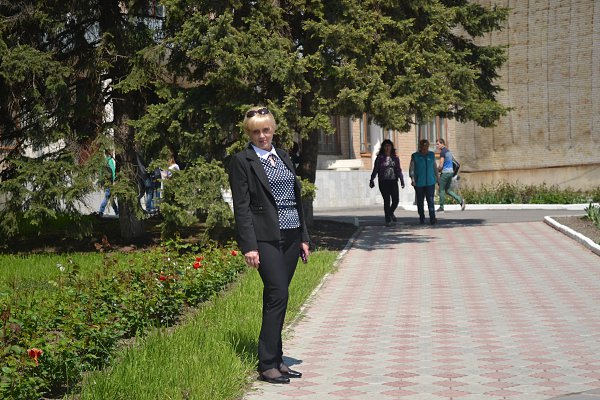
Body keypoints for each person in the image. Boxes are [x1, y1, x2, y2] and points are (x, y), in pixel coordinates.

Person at [229, 106, 311, 385]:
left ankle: (277, 359)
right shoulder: (242, 161)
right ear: (249, 133)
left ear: (273, 129)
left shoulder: (283, 157)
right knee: (278, 294)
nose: (262, 136)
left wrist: (303, 238)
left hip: (291, 236)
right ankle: (266, 364)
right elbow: (241, 207)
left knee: (278, 296)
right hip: (265, 238)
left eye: (265, 130)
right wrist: (249, 246)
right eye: (256, 132)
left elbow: (296, 200)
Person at [369, 139, 405, 226]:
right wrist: (372, 179)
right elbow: (375, 169)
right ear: (383, 147)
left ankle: (390, 212)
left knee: (396, 200)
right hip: (383, 182)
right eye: (386, 146)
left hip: (393, 181)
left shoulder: (395, 158)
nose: (387, 147)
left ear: (391, 147)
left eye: (389, 146)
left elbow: (398, 169)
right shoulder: (380, 158)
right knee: (387, 200)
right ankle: (387, 220)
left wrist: (401, 180)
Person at [409, 139, 438, 225]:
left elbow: (434, 167)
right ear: (420, 147)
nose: (425, 148)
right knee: (420, 201)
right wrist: (413, 179)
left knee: (431, 200)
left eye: (426, 146)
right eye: (423, 146)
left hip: (430, 181)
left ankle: (432, 218)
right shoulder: (415, 156)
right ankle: (422, 217)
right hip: (419, 182)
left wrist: (438, 178)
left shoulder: (431, 155)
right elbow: (411, 168)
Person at [435, 138, 465, 212]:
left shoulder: (442, 152)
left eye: (438, 144)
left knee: (441, 190)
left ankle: (441, 207)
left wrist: (437, 170)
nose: (436, 146)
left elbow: (441, 165)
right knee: (447, 190)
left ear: (442, 144)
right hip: (451, 172)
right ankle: (460, 200)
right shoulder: (448, 151)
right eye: (436, 144)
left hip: (445, 173)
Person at [97, 149, 119, 216]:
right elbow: (113, 171)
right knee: (107, 196)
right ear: (110, 153)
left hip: (105, 181)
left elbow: (100, 171)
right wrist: (114, 180)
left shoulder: (103, 161)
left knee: (110, 197)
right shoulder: (110, 161)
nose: (113, 153)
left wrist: (101, 180)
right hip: (110, 181)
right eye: (112, 152)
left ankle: (117, 211)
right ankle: (101, 211)